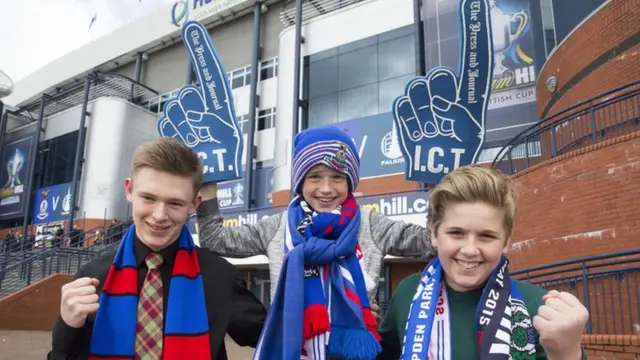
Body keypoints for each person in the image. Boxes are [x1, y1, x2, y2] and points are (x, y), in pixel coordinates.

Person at [195, 125, 435, 359]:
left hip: (352, 351)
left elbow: (430, 242)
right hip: (292, 348)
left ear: (350, 181)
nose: (326, 189)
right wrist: (208, 189)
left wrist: (437, 186)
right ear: (301, 181)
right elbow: (215, 240)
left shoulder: (371, 224)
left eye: (337, 178)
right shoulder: (277, 227)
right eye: (315, 177)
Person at [48, 138, 267, 360]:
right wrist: (67, 326)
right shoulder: (92, 277)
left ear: (194, 204)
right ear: (129, 190)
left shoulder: (219, 276)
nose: (159, 215)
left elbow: (279, 339)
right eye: (148, 198)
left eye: (175, 203)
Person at [377, 165, 589, 360]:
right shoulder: (408, 293)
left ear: (506, 240)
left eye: (486, 236)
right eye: (456, 233)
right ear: (434, 234)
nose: (470, 250)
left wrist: (567, 353)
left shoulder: (537, 307)